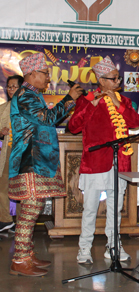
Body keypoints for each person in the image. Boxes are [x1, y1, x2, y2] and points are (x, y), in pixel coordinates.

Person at [8, 53, 81, 276]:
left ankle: (27, 254)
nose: (49, 78)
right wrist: (69, 99)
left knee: (34, 208)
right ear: (31, 74)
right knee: (30, 210)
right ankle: (19, 260)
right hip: (30, 160)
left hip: (38, 161)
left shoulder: (33, 94)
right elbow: (48, 119)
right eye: (45, 73)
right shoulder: (26, 96)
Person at [68, 56, 139, 264]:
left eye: (118, 79)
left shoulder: (124, 100)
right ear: (101, 80)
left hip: (119, 164)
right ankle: (84, 249)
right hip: (95, 163)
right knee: (90, 208)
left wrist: (118, 103)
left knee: (115, 208)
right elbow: (73, 127)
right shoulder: (86, 100)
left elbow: (136, 122)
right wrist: (92, 104)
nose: (118, 83)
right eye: (114, 79)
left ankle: (113, 246)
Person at [0, 75, 23, 233]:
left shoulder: (28, 107)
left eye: (14, 87)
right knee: (2, 187)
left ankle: (23, 224)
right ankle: (5, 220)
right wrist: (1, 132)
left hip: (23, 151)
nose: (10, 90)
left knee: (22, 188)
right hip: (8, 151)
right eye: (9, 87)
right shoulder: (3, 108)